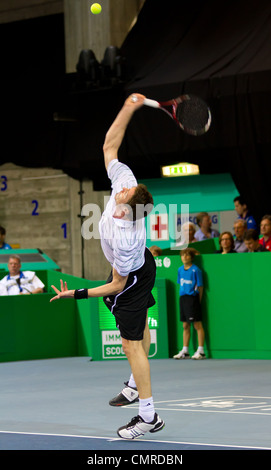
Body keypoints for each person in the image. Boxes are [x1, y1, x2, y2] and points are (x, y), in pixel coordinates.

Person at [50, 93, 165, 440]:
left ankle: (148, 416)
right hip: (139, 267)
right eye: (121, 194)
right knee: (138, 325)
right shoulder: (125, 184)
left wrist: (77, 294)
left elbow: (117, 285)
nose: (116, 199)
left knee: (131, 344)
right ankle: (134, 384)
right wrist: (128, 108)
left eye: (123, 202)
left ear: (133, 214)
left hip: (129, 275)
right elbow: (109, 146)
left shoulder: (128, 238)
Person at [173, 247, 205, 360]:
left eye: (187, 255)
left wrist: (197, 301)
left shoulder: (196, 270)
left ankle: (201, 350)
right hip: (183, 298)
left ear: (192, 257)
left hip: (193, 298)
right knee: (185, 325)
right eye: (182, 255)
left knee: (197, 325)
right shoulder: (180, 270)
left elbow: (200, 287)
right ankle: (185, 350)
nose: (184, 257)